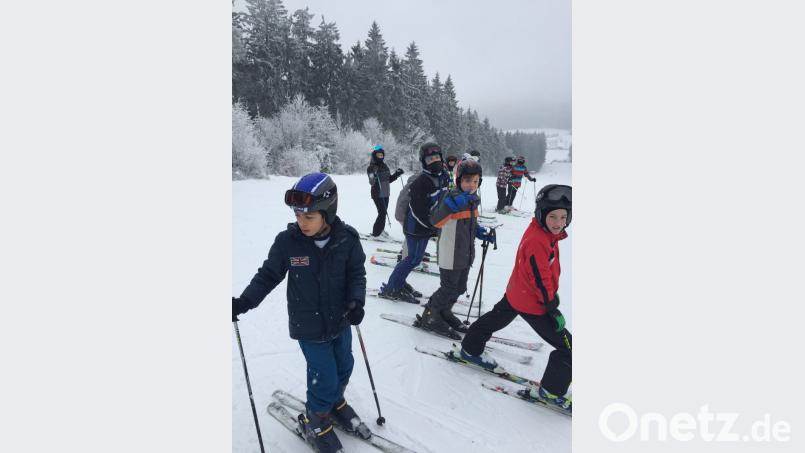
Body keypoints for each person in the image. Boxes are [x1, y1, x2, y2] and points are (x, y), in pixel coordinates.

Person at [232, 172, 370, 452]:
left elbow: (357, 274)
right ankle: (316, 418)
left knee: (345, 367)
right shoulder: (288, 243)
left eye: (309, 217)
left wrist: (357, 302)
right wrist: (244, 302)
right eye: (298, 216)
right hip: (309, 326)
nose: (302, 223)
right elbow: (268, 275)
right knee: (324, 376)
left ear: (328, 213)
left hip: (341, 321)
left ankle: (334, 401)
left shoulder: (347, 239)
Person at [456, 184, 572, 412]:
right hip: (533, 302)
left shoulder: (543, 233)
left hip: (517, 292)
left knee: (496, 318)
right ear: (541, 215)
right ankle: (551, 390)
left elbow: (540, 273)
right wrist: (551, 306)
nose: (559, 222)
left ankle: (471, 348)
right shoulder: (539, 240)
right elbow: (540, 277)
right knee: (569, 349)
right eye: (553, 216)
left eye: (563, 217)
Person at [418, 159, 496, 339]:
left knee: (460, 288)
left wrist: (480, 232)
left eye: (476, 181)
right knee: (447, 288)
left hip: (465, 254)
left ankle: (444, 312)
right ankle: (430, 316)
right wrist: (451, 206)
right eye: (468, 180)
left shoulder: (472, 201)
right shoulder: (451, 197)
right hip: (450, 253)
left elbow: (469, 224)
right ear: (459, 180)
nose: (472, 185)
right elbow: (435, 221)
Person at [379, 143, 449, 303]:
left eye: (437, 157)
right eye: (430, 159)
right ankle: (392, 288)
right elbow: (418, 210)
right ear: (424, 161)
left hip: (425, 227)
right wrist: (431, 225)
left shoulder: (441, 176)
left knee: (414, 258)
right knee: (413, 258)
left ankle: (399, 282)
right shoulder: (421, 182)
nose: (435, 161)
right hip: (415, 227)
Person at [366, 145, 404, 238]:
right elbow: (371, 182)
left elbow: (389, 179)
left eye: (382, 155)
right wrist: (373, 175)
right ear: (374, 156)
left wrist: (397, 174)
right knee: (382, 213)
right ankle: (376, 233)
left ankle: (380, 231)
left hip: (386, 193)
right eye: (378, 155)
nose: (380, 157)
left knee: (383, 213)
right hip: (377, 193)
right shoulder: (371, 167)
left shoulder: (384, 166)